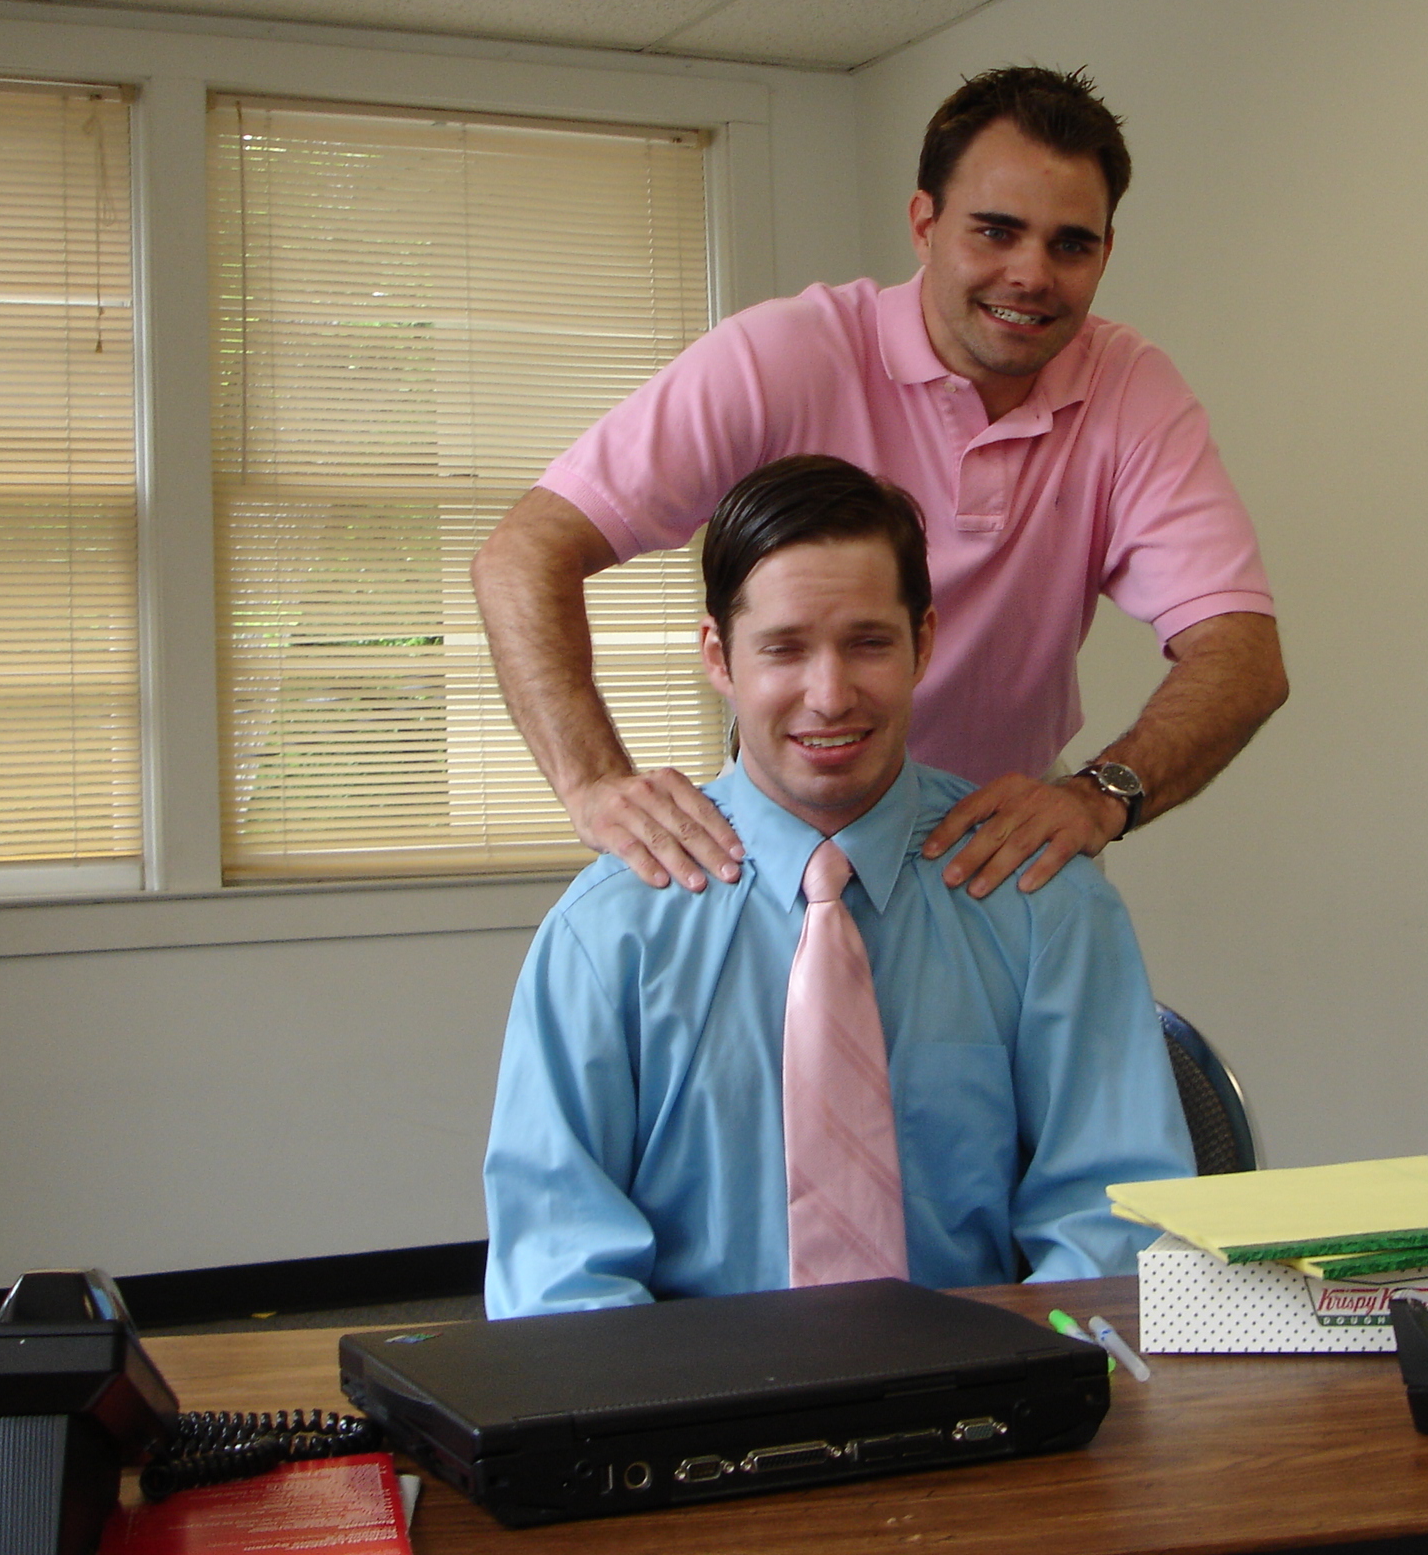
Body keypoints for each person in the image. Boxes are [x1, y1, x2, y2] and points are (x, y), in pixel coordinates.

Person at [472, 66, 1288, 904]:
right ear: (924, 226)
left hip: (999, 846)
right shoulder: (783, 355)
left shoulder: (1130, 386)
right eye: (996, 232)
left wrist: (1099, 795)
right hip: (784, 840)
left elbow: (1242, 656)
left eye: (1070, 245)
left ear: (1106, 252)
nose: (1031, 275)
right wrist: (593, 783)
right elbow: (524, 551)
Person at [481, 456, 1194, 1318]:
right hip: (698, 1390)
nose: (830, 696)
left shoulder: (1044, 902)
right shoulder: (611, 929)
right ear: (718, 656)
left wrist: (1023, 1378)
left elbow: (1113, 1228)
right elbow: (558, 1271)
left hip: (988, 1377)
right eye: (784, 649)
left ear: (924, 643)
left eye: (868, 644)